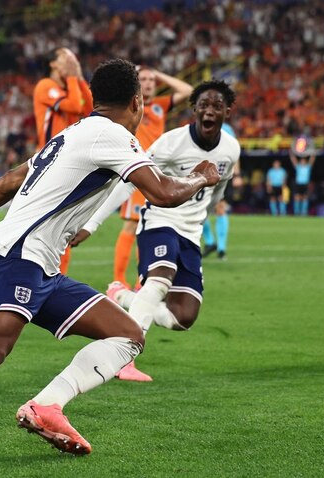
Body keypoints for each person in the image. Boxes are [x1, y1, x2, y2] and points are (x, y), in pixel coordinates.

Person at [0, 58, 220, 467]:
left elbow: (10, 180)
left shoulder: (73, 134)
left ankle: (47, 406)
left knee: (126, 335)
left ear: (93, 97)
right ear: (138, 102)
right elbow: (162, 193)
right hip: (20, 256)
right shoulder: (112, 136)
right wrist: (201, 177)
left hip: (40, 265)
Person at [72, 80, 240, 381]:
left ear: (227, 111)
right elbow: (129, 181)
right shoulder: (171, 143)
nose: (209, 111)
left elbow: (219, 188)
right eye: (203, 105)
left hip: (189, 233)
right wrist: (91, 223)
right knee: (160, 280)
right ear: (194, 109)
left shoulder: (231, 149)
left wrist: (203, 216)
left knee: (182, 318)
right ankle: (123, 357)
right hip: (160, 221)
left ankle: (122, 296)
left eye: (217, 106)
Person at [113, 67, 193, 286]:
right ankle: (119, 279)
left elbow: (188, 90)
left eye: (151, 80)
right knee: (131, 225)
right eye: (143, 79)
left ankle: (141, 280)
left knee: (148, 226)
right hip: (135, 171)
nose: (148, 83)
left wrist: (160, 75)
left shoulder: (160, 105)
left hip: (158, 172)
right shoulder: (127, 104)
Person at [32, 47, 93, 275]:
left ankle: (56, 276)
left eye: (73, 57)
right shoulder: (45, 86)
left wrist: (78, 78)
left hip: (70, 162)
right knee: (48, 224)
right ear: (53, 64)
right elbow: (75, 106)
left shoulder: (71, 88)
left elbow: (89, 108)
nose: (70, 60)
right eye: (64, 57)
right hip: (50, 162)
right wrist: (72, 77)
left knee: (65, 224)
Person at [203, 121, 242, 260]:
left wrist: (237, 175)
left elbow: (234, 153)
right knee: (198, 209)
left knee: (220, 208)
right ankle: (210, 242)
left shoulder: (226, 129)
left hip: (222, 174)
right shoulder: (197, 126)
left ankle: (221, 248)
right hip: (203, 173)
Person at [289, 146, 316, 216]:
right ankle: (297, 212)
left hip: (305, 184)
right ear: (300, 162)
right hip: (298, 184)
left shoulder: (308, 167)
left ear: (305, 162)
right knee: (297, 197)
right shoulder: (298, 167)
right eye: (301, 161)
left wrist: (313, 152)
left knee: (305, 197)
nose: (303, 162)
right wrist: (291, 153)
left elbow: (312, 159)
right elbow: (293, 160)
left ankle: (304, 212)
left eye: (304, 161)